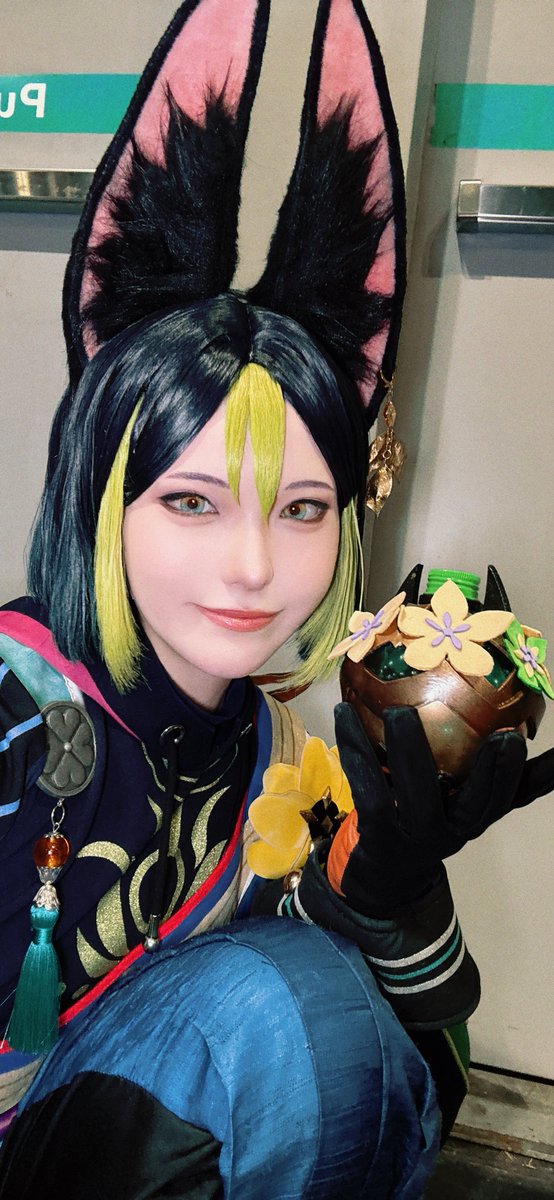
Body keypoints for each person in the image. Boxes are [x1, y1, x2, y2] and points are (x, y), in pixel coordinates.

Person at [0, 3, 552, 1197]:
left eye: (301, 508)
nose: (254, 566)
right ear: (99, 496)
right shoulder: (13, 710)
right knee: (275, 1007)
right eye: (191, 501)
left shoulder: (279, 746)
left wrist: (387, 893)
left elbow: (419, 1077)